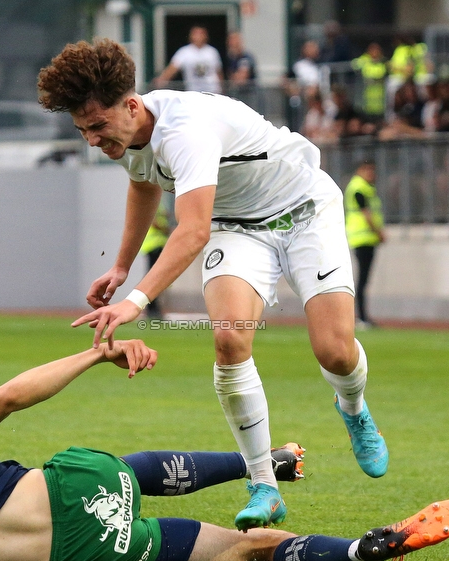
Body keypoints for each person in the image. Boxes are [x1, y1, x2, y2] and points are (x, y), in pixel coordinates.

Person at [37, 39, 390, 532]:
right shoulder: (125, 133)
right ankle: (265, 485)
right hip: (237, 227)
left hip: (305, 210)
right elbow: (143, 183)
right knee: (228, 340)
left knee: (334, 352)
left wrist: (137, 300)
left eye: (97, 127)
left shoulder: (187, 132)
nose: (92, 140)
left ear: (132, 105)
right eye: (82, 130)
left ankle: (351, 407)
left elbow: (193, 231)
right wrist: (121, 267)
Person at [0, 338, 449, 561]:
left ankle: (363, 549)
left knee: (241, 553)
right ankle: (261, 466)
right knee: (121, 470)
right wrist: (95, 355)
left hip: (76, 559)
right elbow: (11, 397)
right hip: (67, 495)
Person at [344, 161, 385, 329]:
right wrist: (378, 232)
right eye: (368, 170)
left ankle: (361, 316)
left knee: (362, 280)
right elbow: (366, 214)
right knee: (362, 280)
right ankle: (361, 317)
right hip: (362, 238)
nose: (371, 174)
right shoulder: (359, 188)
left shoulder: (363, 187)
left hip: (364, 239)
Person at [155, 25, 223, 94]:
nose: (198, 37)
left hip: (212, 91)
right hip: (193, 92)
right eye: (196, 34)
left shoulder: (212, 51)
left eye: (201, 34)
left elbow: (218, 72)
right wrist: (162, 80)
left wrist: (222, 89)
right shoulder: (184, 52)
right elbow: (172, 68)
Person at [139, 204, 170, 319]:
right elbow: (155, 223)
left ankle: (152, 307)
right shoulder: (155, 206)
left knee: (155, 276)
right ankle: (151, 308)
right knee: (154, 277)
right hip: (153, 246)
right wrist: (167, 229)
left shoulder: (159, 206)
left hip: (157, 246)